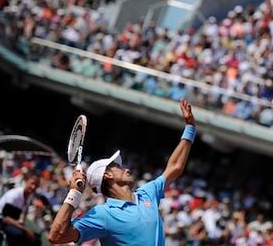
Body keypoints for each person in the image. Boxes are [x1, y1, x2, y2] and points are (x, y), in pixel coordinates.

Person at [48, 99, 197, 246]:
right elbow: (56, 236)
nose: (126, 169)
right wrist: (74, 193)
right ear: (108, 175)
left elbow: (175, 167)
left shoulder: (146, 193)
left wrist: (190, 127)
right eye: (117, 166)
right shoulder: (103, 214)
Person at [0, 174, 41, 246]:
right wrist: (25, 230)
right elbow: (6, 218)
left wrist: (23, 226)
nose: (33, 187)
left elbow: (24, 211)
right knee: (17, 235)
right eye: (32, 184)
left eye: (36, 186)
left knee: (35, 239)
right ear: (26, 182)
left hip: (12, 221)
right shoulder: (14, 195)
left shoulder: (30, 196)